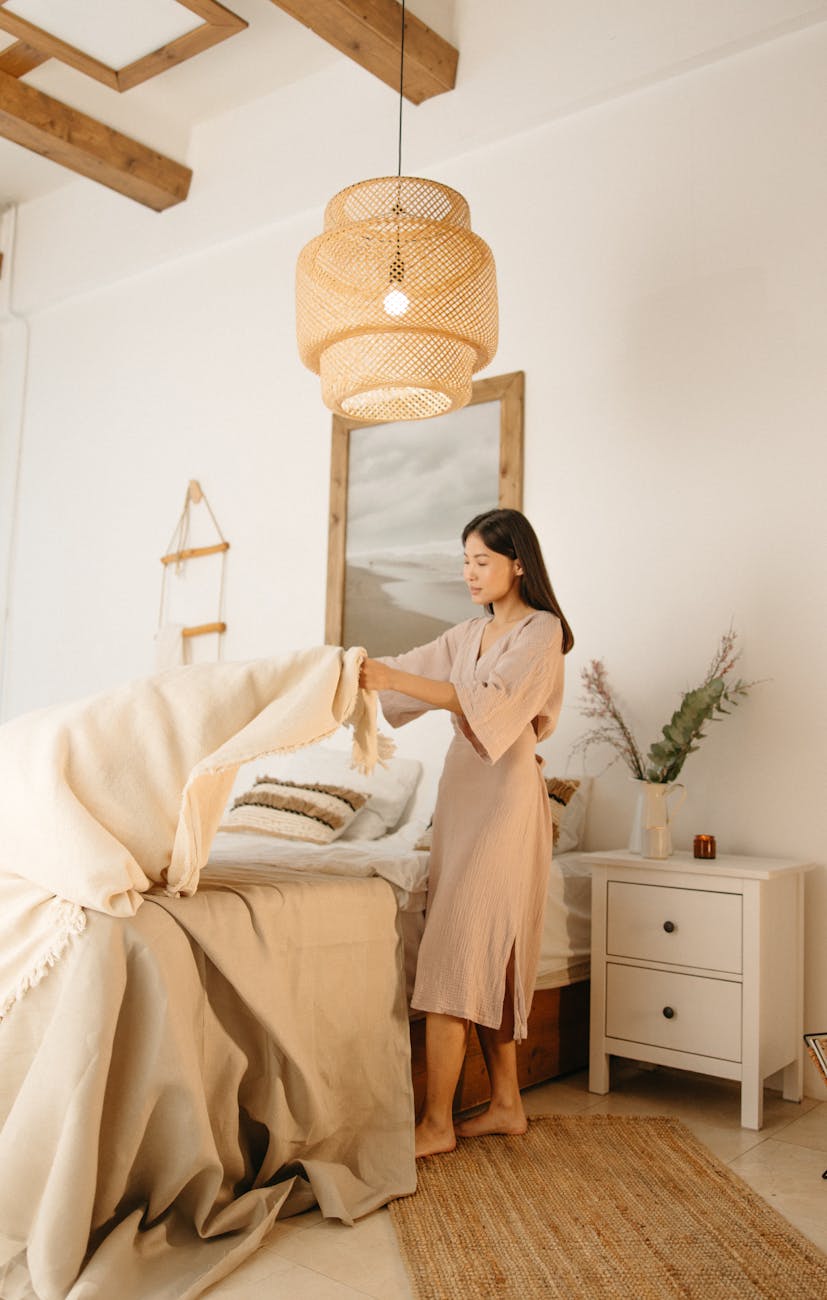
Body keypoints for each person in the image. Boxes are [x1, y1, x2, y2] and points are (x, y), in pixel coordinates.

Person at [358, 507, 574, 1158]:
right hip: (461, 793)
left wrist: (398, 679)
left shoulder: (542, 632)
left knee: (454, 949)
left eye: (482, 560)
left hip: (506, 798)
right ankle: (506, 1105)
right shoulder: (465, 635)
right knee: (485, 949)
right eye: (464, 561)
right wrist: (356, 672)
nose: (469, 573)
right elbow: (405, 670)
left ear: (517, 564)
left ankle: (435, 1124)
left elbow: (493, 702)